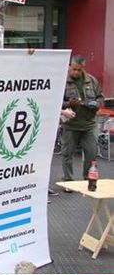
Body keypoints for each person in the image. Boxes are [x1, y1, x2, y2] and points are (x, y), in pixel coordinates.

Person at [61, 55, 104, 185]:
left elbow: (100, 98)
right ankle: (68, 181)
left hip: (89, 125)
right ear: (70, 66)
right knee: (67, 155)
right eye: (74, 69)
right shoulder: (62, 80)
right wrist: (69, 104)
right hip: (71, 125)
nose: (76, 72)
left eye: (79, 70)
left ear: (82, 68)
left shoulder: (91, 81)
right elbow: (56, 102)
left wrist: (96, 104)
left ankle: (88, 180)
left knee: (91, 154)